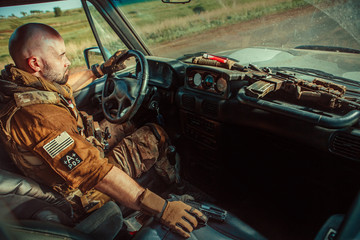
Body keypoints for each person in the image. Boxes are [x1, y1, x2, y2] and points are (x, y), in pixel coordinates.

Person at [0, 23, 206, 238]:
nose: (67, 61)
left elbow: (63, 85)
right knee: (154, 134)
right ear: (35, 63)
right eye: (61, 56)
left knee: (125, 124)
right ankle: (176, 192)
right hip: (84, 192)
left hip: (68, 163)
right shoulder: (39, 118)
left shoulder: (20, 85)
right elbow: (95, 173)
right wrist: (163, 208)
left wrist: (100, 70)